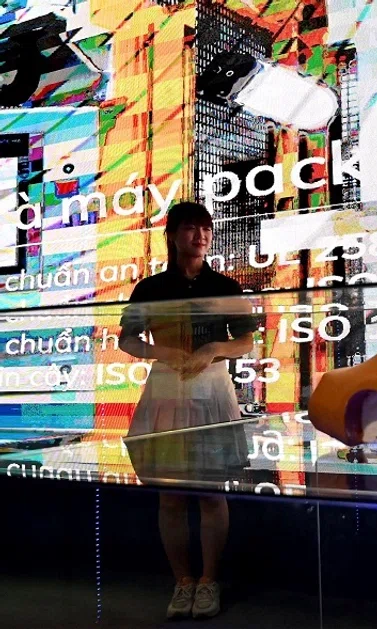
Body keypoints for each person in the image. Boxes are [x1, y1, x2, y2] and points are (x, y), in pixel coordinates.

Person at [119, 201, 256, 620]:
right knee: (170, 497)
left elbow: (246, 341)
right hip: (165, 388)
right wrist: (160, 351)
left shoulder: (227, 287)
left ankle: (208, 580)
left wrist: (215, 348)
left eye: (206, 229)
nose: (200, 236)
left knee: (213, 495)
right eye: (192, 228)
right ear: (173, 235)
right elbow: (128, 340)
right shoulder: (151, 287)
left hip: (213, 388)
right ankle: (182, 582)